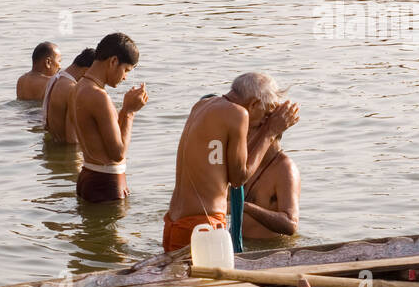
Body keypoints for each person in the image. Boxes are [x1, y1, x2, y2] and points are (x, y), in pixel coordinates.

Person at [162, 72, 299, 252]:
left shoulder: (203, 104)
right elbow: (238, 179)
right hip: (203, 224)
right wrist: (270, 131)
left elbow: (216, 164)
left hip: (175, 222)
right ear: (254, 104)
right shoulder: (238, 113)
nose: (263, 122)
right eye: (265, 115)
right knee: (209, 282)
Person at [68, 33, 148, 202]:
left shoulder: (78, 87)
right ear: (113, 61)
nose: (125, 77)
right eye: (126, 70)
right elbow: (117, 154)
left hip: (88, 176)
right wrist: (129, 112)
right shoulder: (99, 96)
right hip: (105, 182)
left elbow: (106, 141)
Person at [242, 124, 301, 240]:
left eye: (250, 131)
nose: (244, 135)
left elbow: (290, 224)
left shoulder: (285, 168)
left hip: (271, 249)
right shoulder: (247, 164)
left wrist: (246, 207)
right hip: (241, 246)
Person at [43, 47, 96, 143]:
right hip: (66, 151)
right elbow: (73, 140)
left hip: (53, 145)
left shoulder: (55, 79)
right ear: (87, 71)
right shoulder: (73, 89)